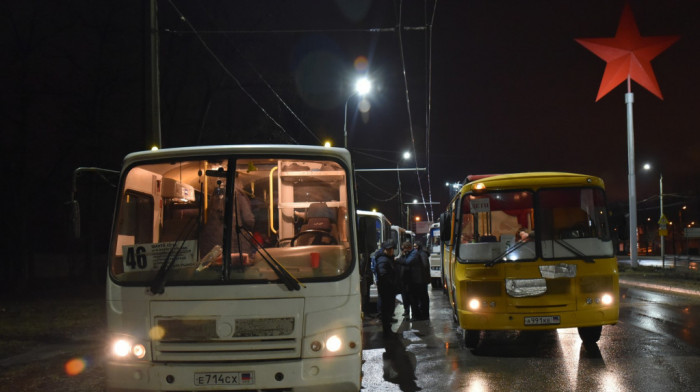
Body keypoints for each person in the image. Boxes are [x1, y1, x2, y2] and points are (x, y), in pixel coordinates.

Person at [375, 239, 398, 337]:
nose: (391, 251)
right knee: (386, 311)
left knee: (389, 310)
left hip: (389, 289)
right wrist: (391, 283)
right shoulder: (383, 260)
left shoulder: (388, 258)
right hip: (386, 290)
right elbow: (383, 274)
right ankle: (387, 332)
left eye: (392, 249)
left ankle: (388, 330)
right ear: (384, 250)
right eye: (389, 249)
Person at [412, 241, 431, 320]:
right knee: (423, 297)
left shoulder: (422, 254)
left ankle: (425, 314)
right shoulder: (421, 253)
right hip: (423, 279)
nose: (415, 248)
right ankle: (424, 314)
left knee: (423, 298)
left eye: (416, 246)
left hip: (422, 279)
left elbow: (425, 265)